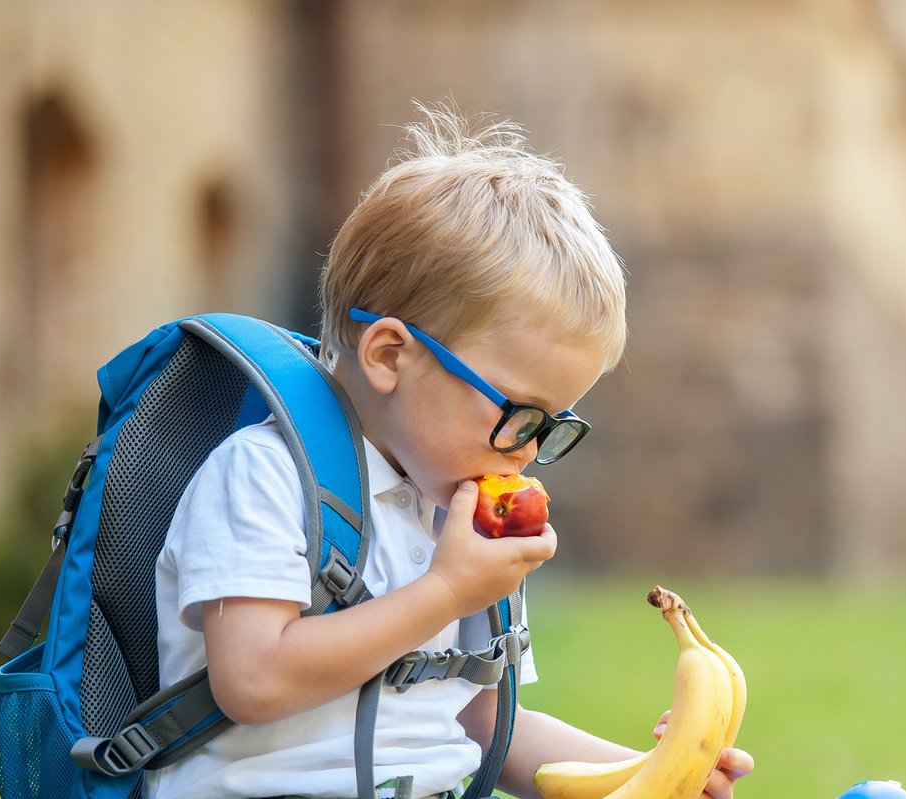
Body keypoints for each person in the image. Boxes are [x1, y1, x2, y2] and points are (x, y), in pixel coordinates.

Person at [149, 104, 754, 798]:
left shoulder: (458, 516)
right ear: (389, 355)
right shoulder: (263, 476)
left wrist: (659, 773)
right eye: (518, 414)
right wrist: (446, 590)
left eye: (550, 424)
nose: (525, 451)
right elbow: (252, 678)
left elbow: (480, 714)